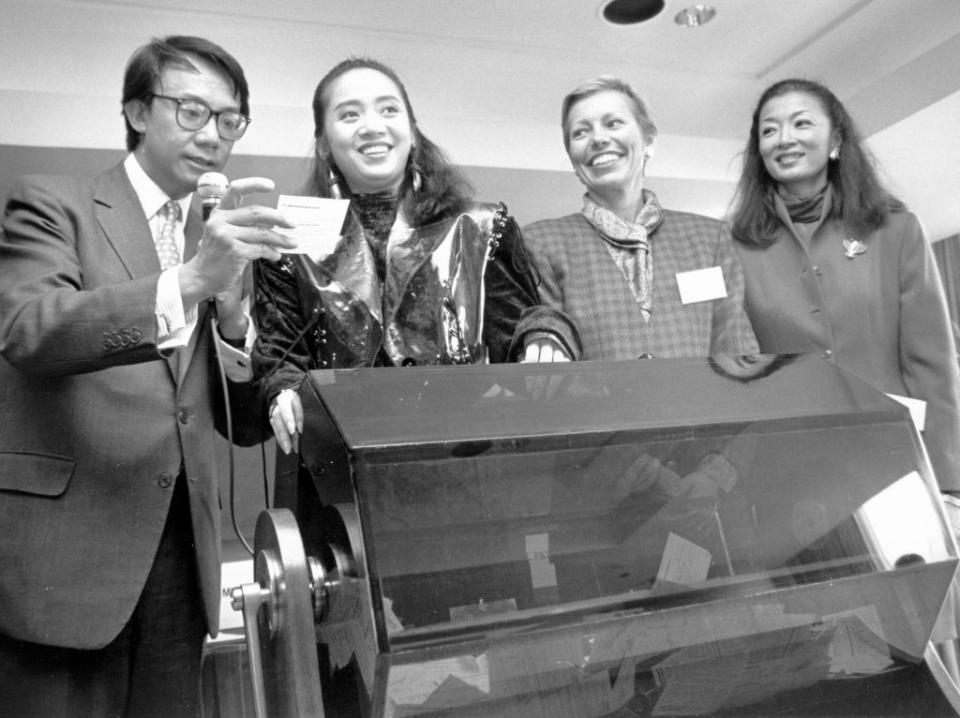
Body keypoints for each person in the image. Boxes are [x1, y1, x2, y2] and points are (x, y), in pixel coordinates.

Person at [0, 36, 294, 716]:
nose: (213, 134)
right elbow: (29, 330)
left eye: (230, 120)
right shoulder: (52, 201)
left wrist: (229, 320)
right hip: (68, 550)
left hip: (182, 556)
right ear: (136, 110)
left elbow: (242, 423)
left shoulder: (218, 237)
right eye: (192, 110)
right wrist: (189, 283)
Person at [253, 57, 581, 455]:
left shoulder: (480, 226)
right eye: (349, 114)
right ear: (324, 144)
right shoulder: (289, 243)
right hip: (342, 471)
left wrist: (544, 334)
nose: (372, 125)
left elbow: (520, 328)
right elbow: (279, 353)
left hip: (466, 463)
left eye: (389, 109)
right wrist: (281, 389)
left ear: (411, 131)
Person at [728, 78, 960, 497]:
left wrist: (949, 482)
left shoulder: (895, 229)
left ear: (835, 138)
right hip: (788, 471)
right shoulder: (735, 247)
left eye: (801, 124)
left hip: (894, 462)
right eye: (768, 130)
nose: (784, 139)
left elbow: (932, 365)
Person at [522, 75, 758, 360]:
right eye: (580, 132)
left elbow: (737, 351)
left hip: (699, 404)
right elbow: (541, 344)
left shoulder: (710, 238)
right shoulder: (540, 242)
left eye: (613, 123)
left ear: (648, 140)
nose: (598, 138)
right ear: (573, 159)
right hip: (597, 405)